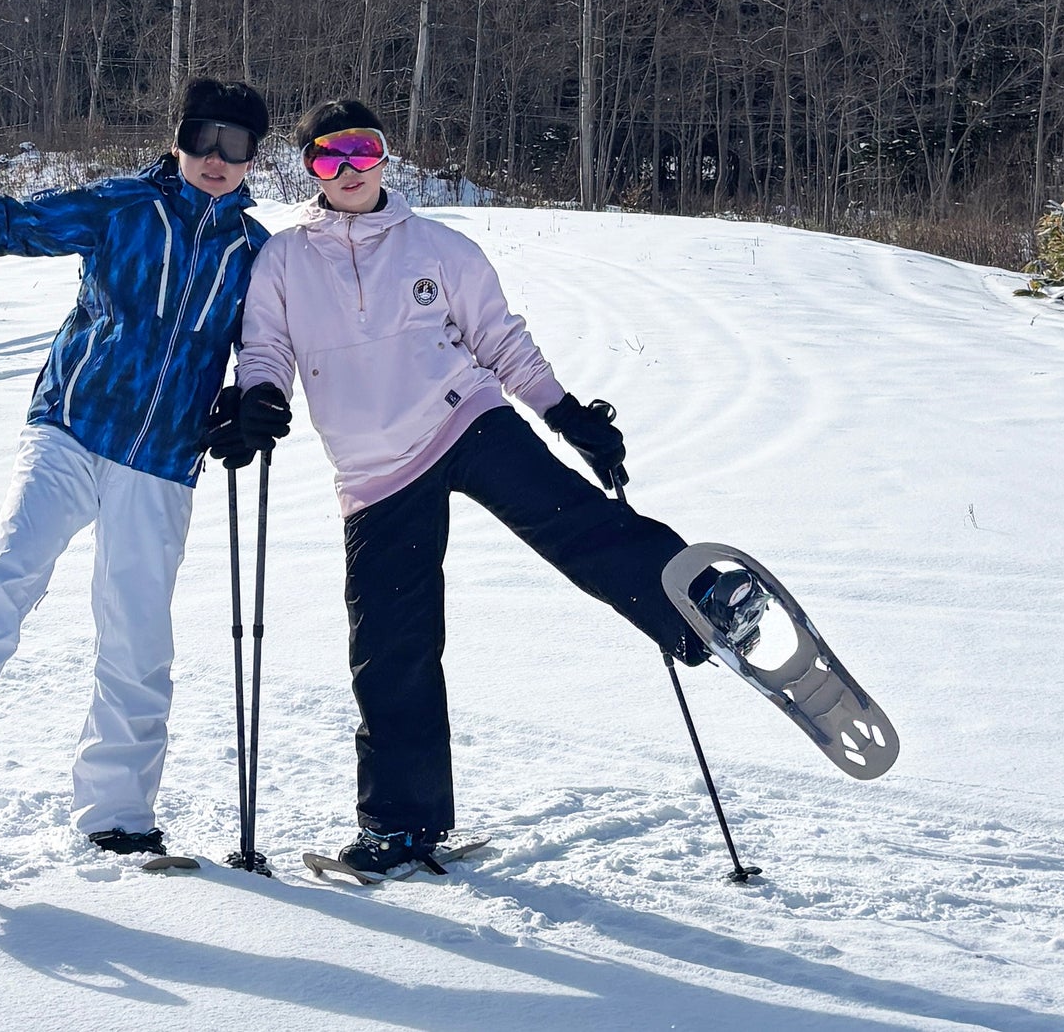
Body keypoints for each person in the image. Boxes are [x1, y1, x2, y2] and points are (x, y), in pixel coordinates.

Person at [211, 98, 763, 879]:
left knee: (572, 519)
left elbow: (501, 340)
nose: (349, 171)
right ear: (309, 169)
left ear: (385, 157)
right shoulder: (286, 259)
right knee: (389, 647)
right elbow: (265, 347)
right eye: (329, 158)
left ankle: (701, 602)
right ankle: (402, 828)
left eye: (362, 152)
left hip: (464, 416)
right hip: (373, 472)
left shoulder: (437, 246)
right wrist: (260, 397)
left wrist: (565, 413)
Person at [0, 78, 270, 858]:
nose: (216, 159)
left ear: (254, 156)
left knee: (138, 636)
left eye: (236, 145)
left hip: (162, 462)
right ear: (178, 138)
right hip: (72, 431)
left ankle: (117, 813)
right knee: (6, 576)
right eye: (203, 138)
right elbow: (11, 227)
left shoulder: (256, 253)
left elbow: (275, 344)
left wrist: (252, 402)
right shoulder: (122, 207)